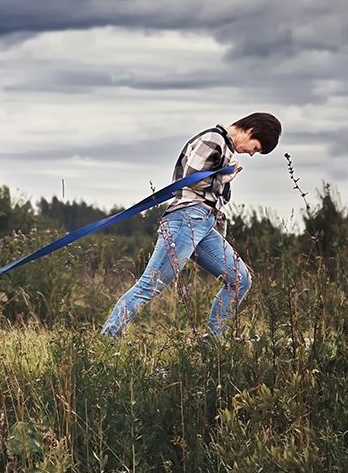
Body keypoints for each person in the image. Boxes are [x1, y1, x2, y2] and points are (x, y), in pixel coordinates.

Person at [101, 112, 281, 339]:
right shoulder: (213, 139)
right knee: (151, 283)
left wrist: (224, 178)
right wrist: (222, 179)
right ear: (252, 131)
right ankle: (109, 336)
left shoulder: (225, 148)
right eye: (256, 148)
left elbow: (212, 193)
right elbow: (190, 177)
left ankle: (214, 342)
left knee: (239, 280)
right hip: (187, 218)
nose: (252, 154)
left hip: (203, 224)